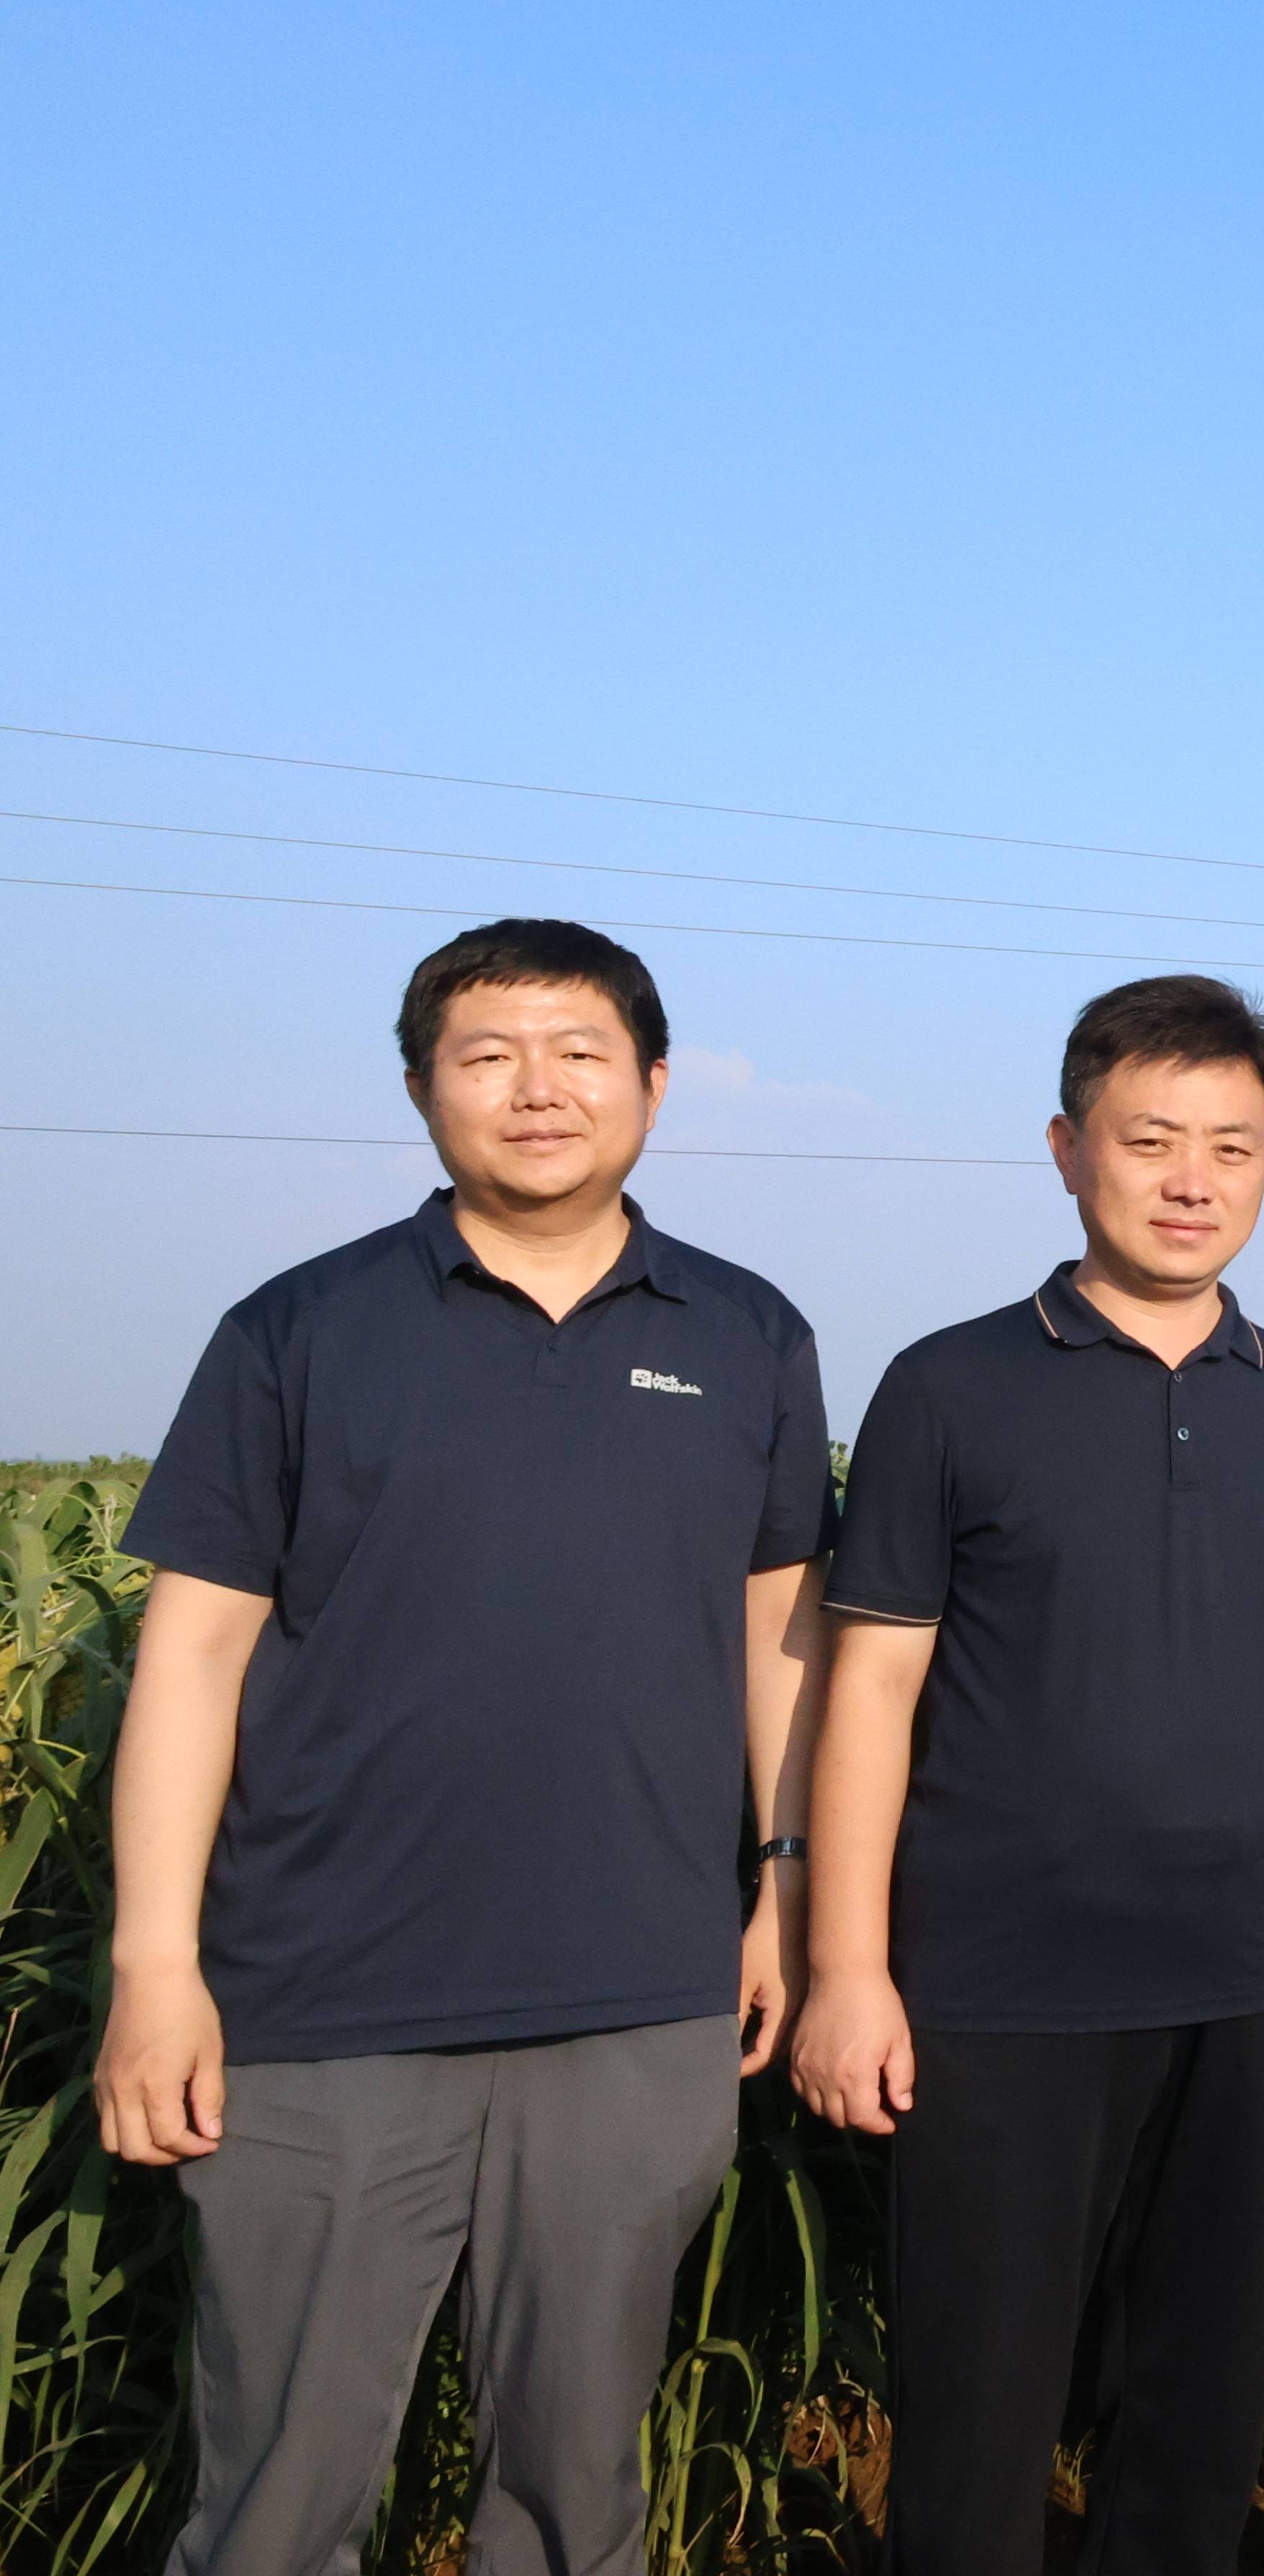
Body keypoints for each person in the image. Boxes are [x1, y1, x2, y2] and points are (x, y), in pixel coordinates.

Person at [96, 917, 828, 2576]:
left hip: (639, 1997)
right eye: (488, 1055)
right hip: (322, 2003)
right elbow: (190, 1657)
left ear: (654, 1082)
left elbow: (782, 1639)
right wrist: (155, 1964)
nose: (537, 1088)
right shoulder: (297, 1329)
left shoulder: (747, 1332)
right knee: (277, 2499)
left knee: (576, 2496)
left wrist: (788, 1886)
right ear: (425, 1088)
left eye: (580, 1052)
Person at [790, 975, 1264, 2576]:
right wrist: (848, 1967)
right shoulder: (951, 1384)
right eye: (1151, 1138)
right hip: (1003, 1980)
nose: (1194, 1180)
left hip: (1246, 1968)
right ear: (1067, 1149)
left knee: (1197, 2400)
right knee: (980, 2404)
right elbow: (869, 1688)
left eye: (1233, 1147)